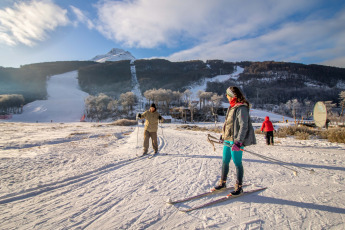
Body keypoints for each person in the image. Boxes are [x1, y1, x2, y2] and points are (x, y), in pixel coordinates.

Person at [213, 86, 256, 195]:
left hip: (236, 141)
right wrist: (223, 136)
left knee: (237, 162)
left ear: (232, 95)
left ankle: (239, 186)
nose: (226, 96)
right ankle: (223, 182)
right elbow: (228, 124)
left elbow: (243, 126)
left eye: (227, 94)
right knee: (225, 160)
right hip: (228, 139)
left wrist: (239, 141)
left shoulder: (241, 108)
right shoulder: (232, 107)